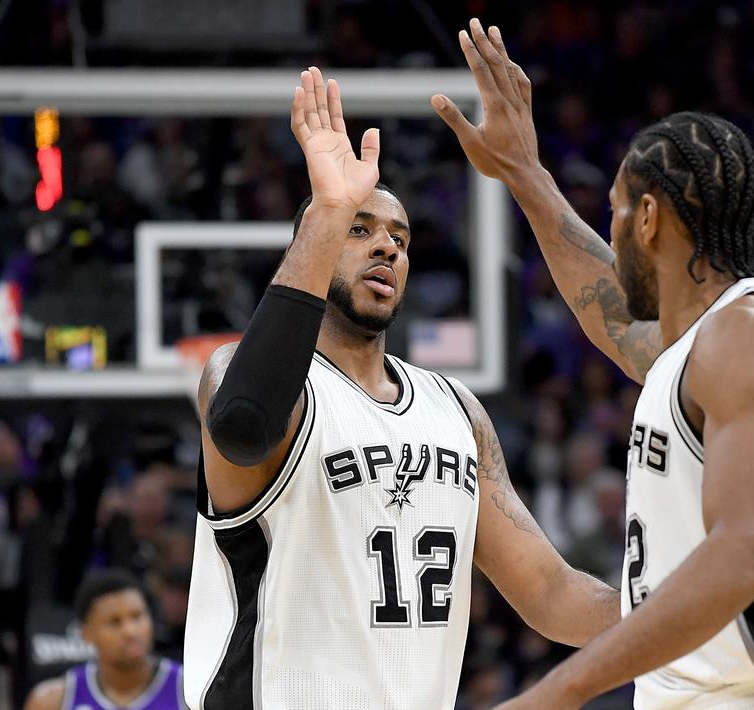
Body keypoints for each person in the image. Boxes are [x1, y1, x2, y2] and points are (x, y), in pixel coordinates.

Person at [432, 19, 754, 708]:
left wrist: (557, 692)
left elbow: (746, 551)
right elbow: (616, 318)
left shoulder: (747, 335)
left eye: (617, 213)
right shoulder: (698, 351)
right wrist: (522, 173)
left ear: (650, 218)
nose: (614, 232)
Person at [184, 67, 620, 709]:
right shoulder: (236, 374)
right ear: (314, 240)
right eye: (359, 230)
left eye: (400, 238)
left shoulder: (457, 412)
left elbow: (550, 593)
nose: (385, 246)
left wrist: (680, 604)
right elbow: (244, 426)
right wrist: (329, 207)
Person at [24, 569, 185, 710]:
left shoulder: (188, 690)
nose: (130, 631)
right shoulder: (52, 700)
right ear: (86, 634)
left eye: (137, 616)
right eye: (114, 622)